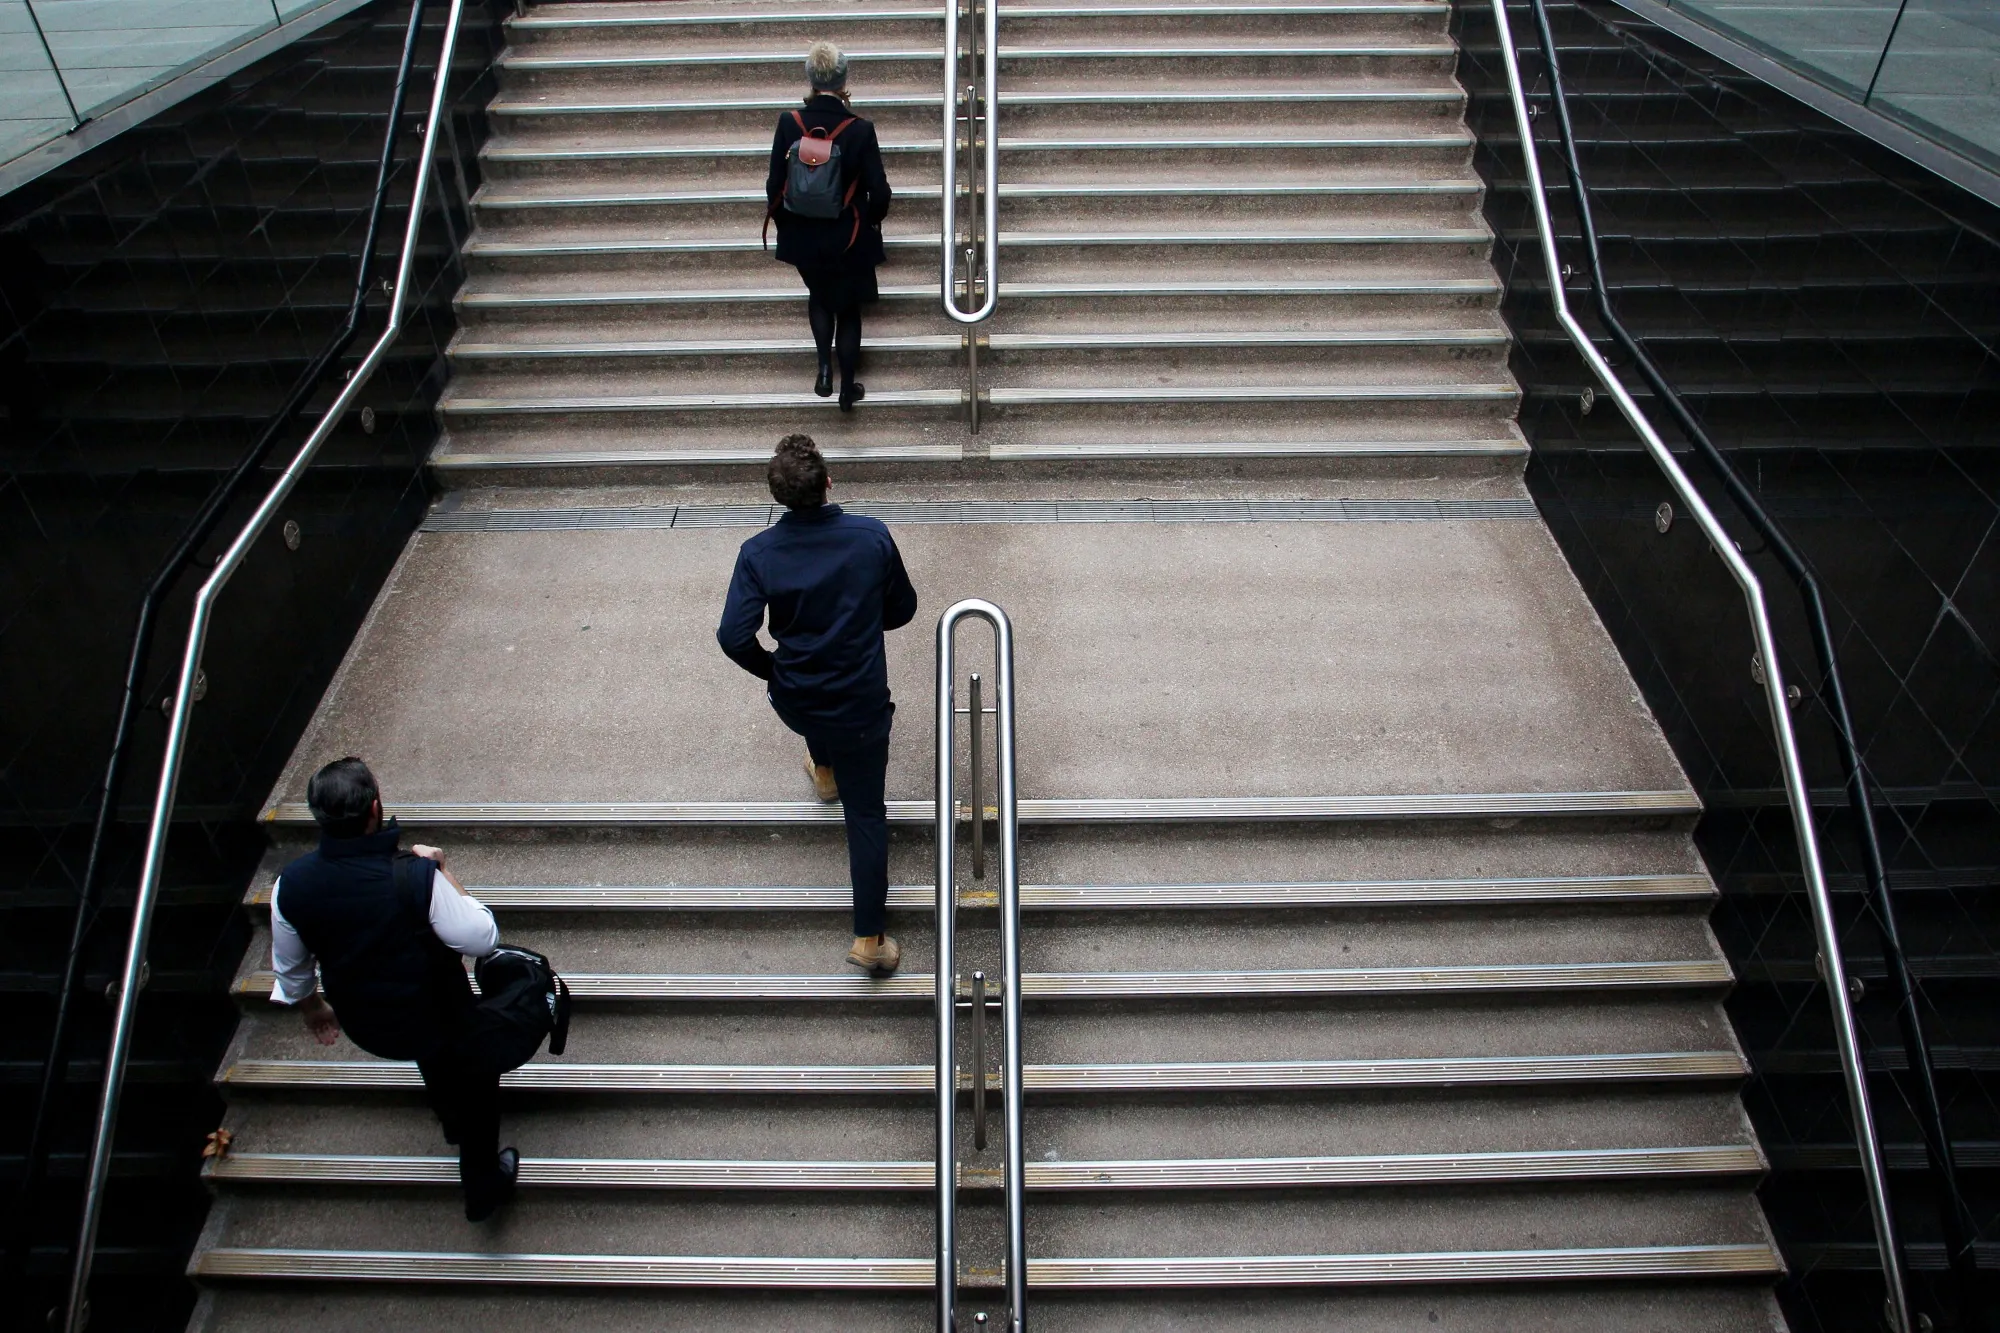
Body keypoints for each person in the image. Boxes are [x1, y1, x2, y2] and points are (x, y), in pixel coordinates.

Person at [268, 757, 517, 1221]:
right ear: (376, 808)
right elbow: (483, 937)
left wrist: (313, 1009)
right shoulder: (413, 876)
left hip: (369, 1022)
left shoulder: (291, 886)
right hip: (443, 1015)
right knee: (475, 1084)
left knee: (432, 1056)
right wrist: (440, 869)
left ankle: (450, 1121)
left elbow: (292, 967)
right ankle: (484, 1185)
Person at [717, 435, 917, 972]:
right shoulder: (870, 536)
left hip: (797, 696)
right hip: (859, 701)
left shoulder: (757, 553)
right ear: (828, 482)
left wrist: (776, 668)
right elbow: (903, 609)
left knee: (813, 708)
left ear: (778, 496)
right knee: (866, 815)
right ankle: (869, 939)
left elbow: (734, 636)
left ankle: (823, 770)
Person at [765, 41, 891, 411]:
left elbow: (774, 183)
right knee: (848, 308)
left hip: (803, 235)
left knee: (820, 298)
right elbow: (879, 190)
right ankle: (847, 388)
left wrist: (787, 221)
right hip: (847, 234)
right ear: (842, 78)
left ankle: (823, 369)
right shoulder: (860, 129)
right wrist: (871, 221)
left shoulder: (790, 123)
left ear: (810, 77)